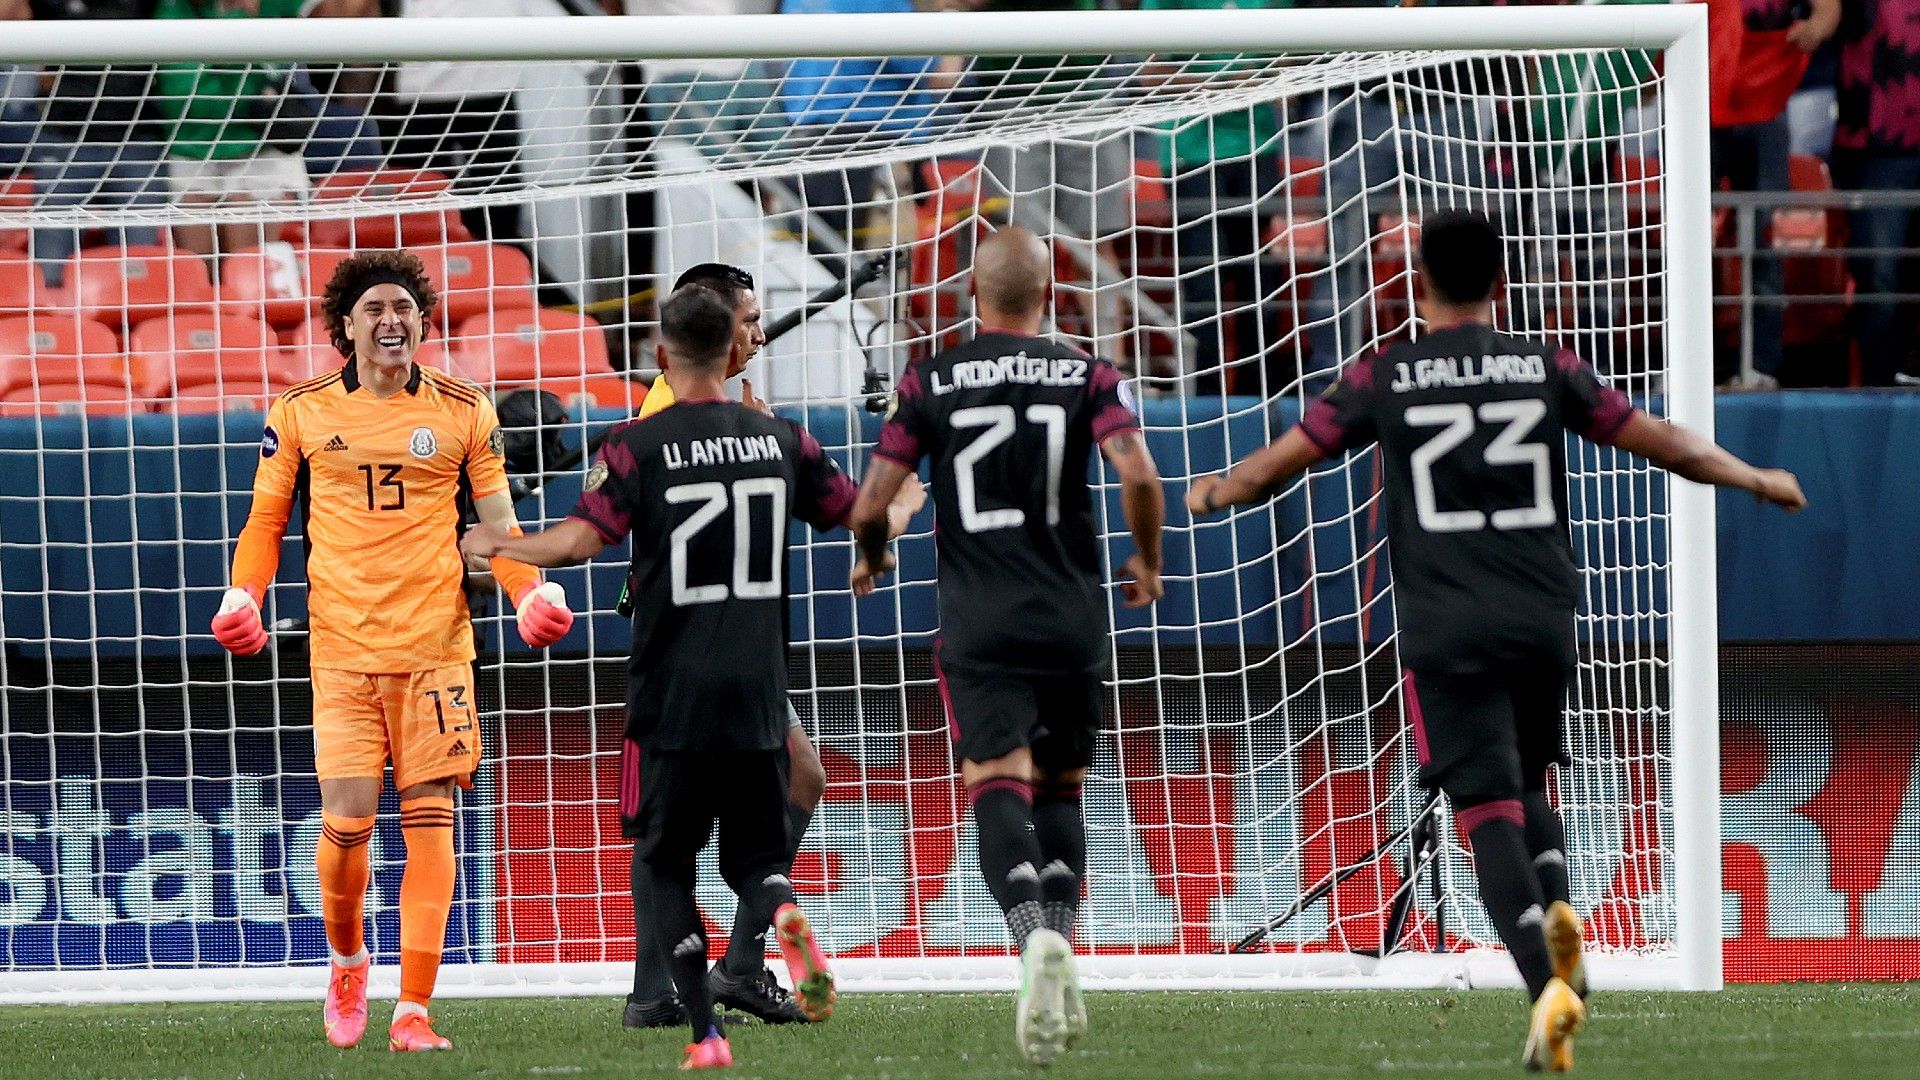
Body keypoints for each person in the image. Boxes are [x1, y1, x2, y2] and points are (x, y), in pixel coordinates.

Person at [1186, 210, 1806, 1072]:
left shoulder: (1384, 373)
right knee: (1529, 781)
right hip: (1542, 616)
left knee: (1483, 812)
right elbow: (1659, 441)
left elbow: (1285, 459)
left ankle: (1545, 985)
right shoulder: (1546, 365)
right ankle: (1562, 921)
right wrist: (1753, 476)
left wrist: (1217, 491)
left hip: (1447, 625)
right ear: (1502, 284)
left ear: (1417, 285)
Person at [458, 285, 849, 1071]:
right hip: (758, 678)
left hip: (673, 679)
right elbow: (852, 508)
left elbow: (581, 541)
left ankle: (702, 1025)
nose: (757, 333)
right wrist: (889, 523)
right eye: (748, 322)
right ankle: (776, 916)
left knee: (663, 855)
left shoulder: (637, 442)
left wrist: (497, 543)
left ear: (663, 354)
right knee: (754, 856)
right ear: (729, 344)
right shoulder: (779, 437)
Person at [209, 251, 577, 1053]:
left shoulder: (464, 408)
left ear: (422, 322)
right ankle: (347, 961)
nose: (391, 319)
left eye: (404, 307)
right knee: (347, 827)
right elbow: (266, 522)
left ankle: (413, 1008)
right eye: (375, 307)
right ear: (345, 326)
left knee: (431, 822)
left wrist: (529, 592)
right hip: (342, 648)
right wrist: (244, 595)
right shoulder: (300, 411)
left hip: (437, 647)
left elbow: (499, 528)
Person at [845, 226, 1166, 1066]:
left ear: (972, 298)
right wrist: (1147, 560)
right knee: (1061, 793)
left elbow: (873, 500)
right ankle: (1060, 934)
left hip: (980, 620)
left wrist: (872, 555)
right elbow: (1138, 473)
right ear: (1051, 296)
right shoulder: (1088, 375)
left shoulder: (930, 380)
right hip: (1071, 617)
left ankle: (1031, 940)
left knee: (995, 785)